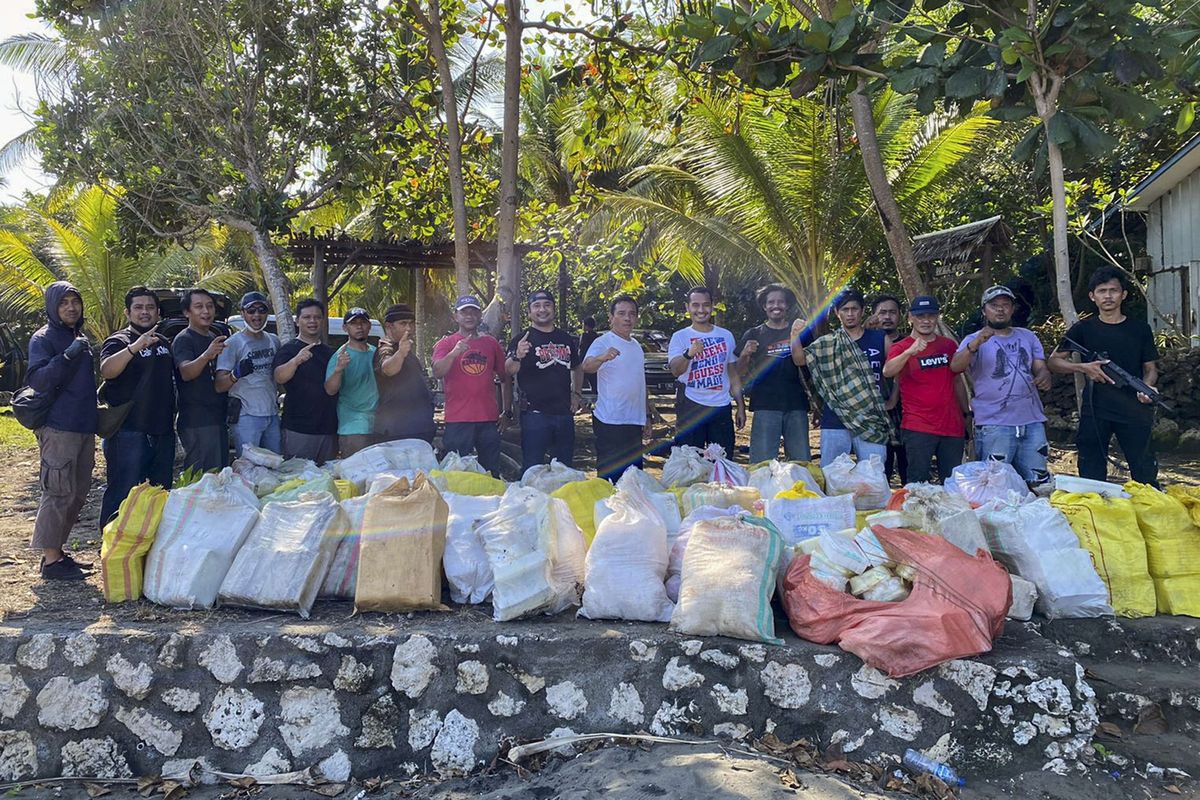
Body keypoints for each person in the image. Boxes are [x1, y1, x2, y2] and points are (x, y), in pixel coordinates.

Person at [1048, 267, 1160, 485]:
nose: (1108, 296)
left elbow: (1150, 369)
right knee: (1091, 473)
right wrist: (1084, 368)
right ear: (1092, 296)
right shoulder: (1083, 328)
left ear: (1123, 294)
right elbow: (1054, 361)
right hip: (1096, 409)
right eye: (1101, 291)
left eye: (1113, 290)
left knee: (1144, 473)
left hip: (1134, 408)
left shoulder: (1140, 329)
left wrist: (1146, 389)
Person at [27, 282, 97, 580]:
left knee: (78, 493)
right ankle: (51, 560)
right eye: (64, 302)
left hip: (83, 426)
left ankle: (57, 553)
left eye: (75, 301)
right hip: (58, 427)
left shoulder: (78, 335)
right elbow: (38, 380)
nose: (71, 307)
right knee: (57, 492)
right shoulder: (43, 339)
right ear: (53, 307)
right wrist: (66, 356)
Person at [951, 285, 1052, 483]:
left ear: (1012, 309)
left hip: (1031, 421)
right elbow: (955, 366)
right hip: (994, 423)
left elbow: (1039, 366)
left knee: (1038, 481)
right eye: (994, 305)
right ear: (984, 311)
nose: (1000, 309)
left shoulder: (1028, 336)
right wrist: (976, 344)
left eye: (1006, 305)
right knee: (995, 484)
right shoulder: (973, 340)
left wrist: (1044, 375)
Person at [98, 287, 176, 530]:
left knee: (159, 492)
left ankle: (145, 547)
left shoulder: (164, 342)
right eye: (139, 308)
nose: (145, 312)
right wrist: (135, 347)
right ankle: (112, 548)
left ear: (158, 313)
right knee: (123, 492)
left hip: (162, 431)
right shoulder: (119, 341)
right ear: (128, 312)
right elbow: (107, 370)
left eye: (150, 307)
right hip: (129, 432)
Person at [796, 290, 892, 467]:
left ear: (862, 311)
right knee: (832, 475)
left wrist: (892, 400)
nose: (850, 314)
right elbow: (800, 358)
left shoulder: (880, 339)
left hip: (871, 419)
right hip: (836, 418)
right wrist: (794, 336)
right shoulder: (828, 342)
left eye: (854, 309)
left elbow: (896, 370)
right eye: (845, 309)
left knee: (874, 475)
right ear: (836, 313)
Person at [883, 296, 964, 483]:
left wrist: (966, 413)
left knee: (952, 484)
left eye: (931, 315)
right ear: (910, 317)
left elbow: (957, 381)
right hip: (918, 426)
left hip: (951, 425)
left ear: (937, 317)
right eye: (920, 316)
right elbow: (888, 371)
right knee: (916, 484)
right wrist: (910, 352)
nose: (926, 320)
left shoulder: (948, 345)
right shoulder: (900, 347)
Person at [433, 295, 511, 476]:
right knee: (456, 472)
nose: (469, 316)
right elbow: (438, 372)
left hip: (488, 420)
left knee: (491, 472)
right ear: (456, 317)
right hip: (458, 420)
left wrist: (507, 411)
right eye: (464, 312)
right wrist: (454, 353)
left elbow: (505, 377)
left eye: (474, 311)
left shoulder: (491, 343)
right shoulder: (446, 343)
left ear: (480, 316)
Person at [735, 284, 812, 463]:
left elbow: (812, 367)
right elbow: (738, 372)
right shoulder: (754, 333)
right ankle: (762, 492)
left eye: (781, 302)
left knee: (801, 462)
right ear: (764, 306)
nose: (775, 306)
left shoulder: (801, 332)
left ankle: (801, 491)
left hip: (797, 404)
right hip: (765, 404)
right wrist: (745, 354)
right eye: (771, 302)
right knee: (762, 462)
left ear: (787, 306)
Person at [507, 290, 583, 470]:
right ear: (529, 312)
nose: (542, 309)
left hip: (564, 414)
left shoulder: (565, 338)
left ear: (554, 309)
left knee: (564, 469)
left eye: (547, 305)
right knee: (533, 468)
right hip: (535, 415)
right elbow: (508, 370)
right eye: (537, 306)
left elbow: (577, 367)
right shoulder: (521, 339)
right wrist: (517, 355)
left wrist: (577, 393)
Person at [667, 286, 744, 456]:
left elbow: (732, 374)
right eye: (695, 305)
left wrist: (740, 406)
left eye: (706, 305)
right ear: (687, 308)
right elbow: (675, 370)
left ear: (712, 306)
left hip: (721, 407)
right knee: (689, 461)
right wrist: (689, 354)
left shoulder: (726, 335)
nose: (701, 310)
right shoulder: (680, 336)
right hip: (690, 405)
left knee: (722, 460)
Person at [582, 295, 650, 481]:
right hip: (610, 421)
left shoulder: (636, 346)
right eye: (621, 313)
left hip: (634, 421)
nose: (627, 318)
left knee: (633, 478)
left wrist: (647, 416)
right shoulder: (603, 342)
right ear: (611, 318)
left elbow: (640, 383)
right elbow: (587, 366)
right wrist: (602, 357)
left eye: (632, 314)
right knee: (610, 478)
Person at [273, 298, 338, 464]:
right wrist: (296, 360)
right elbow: (279, 377)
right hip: (298, 429)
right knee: (298, 481)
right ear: (297, 321)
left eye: (317, 317)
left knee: (327, 481)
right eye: (307, 317)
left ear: (323, 320)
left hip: (328, 429)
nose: (312, 321)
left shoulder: (331, 352)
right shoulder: (289, 349)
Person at [216, 292, 280, 457]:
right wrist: (235, 374)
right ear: (243, 313)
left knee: (276, 466)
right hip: (247, 417)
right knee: (248, 468)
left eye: (262, 310)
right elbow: (219, 385)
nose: (257, 315)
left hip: (272, 414)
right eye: (251, 310)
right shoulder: (232, 343)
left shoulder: (274, 340)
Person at [172, 288, 229, 472]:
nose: (206, 311)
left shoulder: (213, 336)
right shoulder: (184, 339)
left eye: (210, 306)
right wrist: (207, 355)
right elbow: (186, 373)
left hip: (217, 417)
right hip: (197, 420)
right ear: (187, 312)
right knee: (201, 478)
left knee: (218, 473)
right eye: (199, 307)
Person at [374, 303, 435, 444]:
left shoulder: (406, 351)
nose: (409, 328)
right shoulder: (386, 347)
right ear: (389, 326)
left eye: (411, 323)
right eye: (403, 323)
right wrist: (401, 352)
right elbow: (388, 369)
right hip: (397, 431)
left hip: (418, 427)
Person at [325, 307, 378, 458]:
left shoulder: (376, 353)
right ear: (345, 328)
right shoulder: (340, 356)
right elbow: (330, 390)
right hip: (353, 428)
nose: (359, 327)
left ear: (369, 326)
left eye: (363, 322)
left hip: (378, 425)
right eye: (354, 323)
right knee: (356, 477)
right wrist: (338, 370)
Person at [870, 294, 907, 483]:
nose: (887, 317)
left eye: (892, 312)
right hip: (874, 411)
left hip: (904, 410)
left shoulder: (909, 342)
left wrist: (893, 398)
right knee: (879, 468)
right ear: (873, 315)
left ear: (900, 315)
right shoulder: (866, 341)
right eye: (882, 312)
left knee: (905, 462)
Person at [579, 316, 599, 393]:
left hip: (584, 362)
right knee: (595, 385)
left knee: (579, 384)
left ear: (586, 326)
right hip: (594, 362)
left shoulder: (584, 336)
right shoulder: (596, 337)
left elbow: (582, 350)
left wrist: (579, 362)